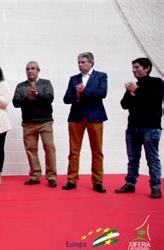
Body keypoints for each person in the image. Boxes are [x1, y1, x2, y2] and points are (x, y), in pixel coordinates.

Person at [115, 58, 163, 199]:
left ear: (147, 68)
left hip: (151, 127)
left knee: (152, 158)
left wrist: (137, 91)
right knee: (133, 158)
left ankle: (155, 187)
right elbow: (124, 104)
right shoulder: (133, 85)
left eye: (137, 67)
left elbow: (154, 100)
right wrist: (132, 93)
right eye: (133, 67)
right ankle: (130, 183)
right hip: (133, 127)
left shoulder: (157, 83)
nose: (134, 70)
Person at [63, 52, 108, 193]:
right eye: (79, 62)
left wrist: (84, 91)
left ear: (91, 63)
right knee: (74, 151)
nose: (80, 65)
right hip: (76, 117)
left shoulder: (101, 76)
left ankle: (97, 182)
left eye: (83, 62)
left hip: (95, 117)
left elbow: (102, 93)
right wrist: (76, 95)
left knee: (97, 151)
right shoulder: (73, 79)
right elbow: (66, 99)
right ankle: (71, 180)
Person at [13, 61, 57, 188]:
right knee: (31, 150)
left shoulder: (46, 83)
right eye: (27, 69)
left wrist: (37, 94)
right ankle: (35, 175)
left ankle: (51, 176)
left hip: (45, 122)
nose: (30, 71)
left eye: (33, 69)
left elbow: (50, 98)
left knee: (49, 148)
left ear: (38, 70)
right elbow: (16, 102)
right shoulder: (21, 86)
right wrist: (28, 98)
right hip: (28, 123)